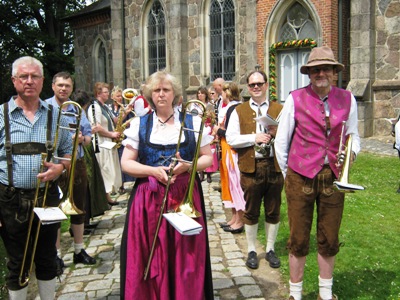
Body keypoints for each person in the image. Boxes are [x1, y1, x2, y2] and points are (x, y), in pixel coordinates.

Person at [274, 46, 361, 300]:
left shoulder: (348, 99)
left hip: (333, 177)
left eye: (325, 68)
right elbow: (281, 141)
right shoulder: (295, 98)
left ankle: (325, 295)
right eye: (315, 69)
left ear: (335, 72)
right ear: (309, 73)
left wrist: (350, 157)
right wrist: (288, 173)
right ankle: (296, 295)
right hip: (299, 176)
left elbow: (353, 135)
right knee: (298, 237)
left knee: (329, 236)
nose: (320, 73)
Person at [119, 70, 214, 299]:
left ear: (175, 94)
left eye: (166, 90)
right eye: (157, 90)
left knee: (185, 255)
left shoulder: (192, 121)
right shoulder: (139, 125)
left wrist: (188, 166)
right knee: (148, 253)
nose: (161, 94)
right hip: (147, 200)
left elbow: (208, 158)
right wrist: (153, 171)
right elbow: (126, 163)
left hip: (184, 196)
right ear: (151, 95)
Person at [0, 56, 72, 299]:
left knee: (47, 258)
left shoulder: (56, 114)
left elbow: (69, 155)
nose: (29, 81)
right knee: (17, 263)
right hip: (11, 200)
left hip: (46, 198)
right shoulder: (1, 116)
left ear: (43, 81)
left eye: (34, 77)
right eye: (23, 76)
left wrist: (60, 169)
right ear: (14, 80)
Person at [226, 70, 283, 270]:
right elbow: (231, 139)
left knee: (273, 209)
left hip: (274, 166)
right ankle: (251, 250)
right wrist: (254, 138)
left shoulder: (279, 108)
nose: (256, 87)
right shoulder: (238, 111)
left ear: (267, 85)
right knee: (250, 210)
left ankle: (270, 249)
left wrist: (279, 132)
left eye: (259, 83)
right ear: (248, 88)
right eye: (252, 85)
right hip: (251, 167)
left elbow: (290, 138)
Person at [45, 72, 96, 269]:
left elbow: (89, 138)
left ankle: (78, 249)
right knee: (54, 208)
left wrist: (81, 138)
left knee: (78, 205)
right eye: (60, 85)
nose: (63, 89)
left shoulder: (77, 110)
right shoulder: (46, 108)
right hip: (55, 164)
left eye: (67, 85)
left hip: (77, 161)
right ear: (52, 86)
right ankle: (56, 254)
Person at [72, 89, 110, 228]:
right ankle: (83, 222)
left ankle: (84, 221)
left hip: (84, 149)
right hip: (84, 151)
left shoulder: (77, 111)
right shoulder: (79, 112)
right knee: (86, 186)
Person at [213, 82, 245, 233]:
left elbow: (231, 135)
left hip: (232, 151)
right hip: (226, 149)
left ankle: (240, 220)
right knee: (230, 185)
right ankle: (234, 218)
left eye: (223, 92)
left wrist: (218, 130)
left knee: (235, 184)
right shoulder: (231, 108)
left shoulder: (235, 108)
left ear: (228, 93)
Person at [88, 82, 122, 205]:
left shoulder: (105, 106)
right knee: (104, 169)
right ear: (98, 93)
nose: (108, 94)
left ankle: (107, 196)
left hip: (107, 141)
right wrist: (111, 134)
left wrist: (126, 112)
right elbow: (96, 126)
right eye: (105, 92)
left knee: (109, 169)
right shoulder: (94, 106)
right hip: (100, 142)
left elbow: (115, 120)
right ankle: (104, 197)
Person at [110, 86, 136, 194]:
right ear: (112, 97)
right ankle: (118, 184)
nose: (120, 98)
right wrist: (125, 113)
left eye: (121, 96)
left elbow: (132, 118)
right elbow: (114, 121)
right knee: (116, 161)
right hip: (114, 136)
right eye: (117, 96)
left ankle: (125, 183)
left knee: (124, 159)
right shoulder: (109, 108)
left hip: (124, 136)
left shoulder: (125, 107)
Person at [191, 86, 218, 183]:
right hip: (198, 127)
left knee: (210, 150)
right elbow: (192, 115)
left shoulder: (210, 104)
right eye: (198, 93)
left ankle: (209, 173)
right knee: (199, 150)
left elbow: (213, 117)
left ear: (205, 94)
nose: (200, 95)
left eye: (202, 93)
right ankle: (201, 173)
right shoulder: (194, 104)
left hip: (208, 127)